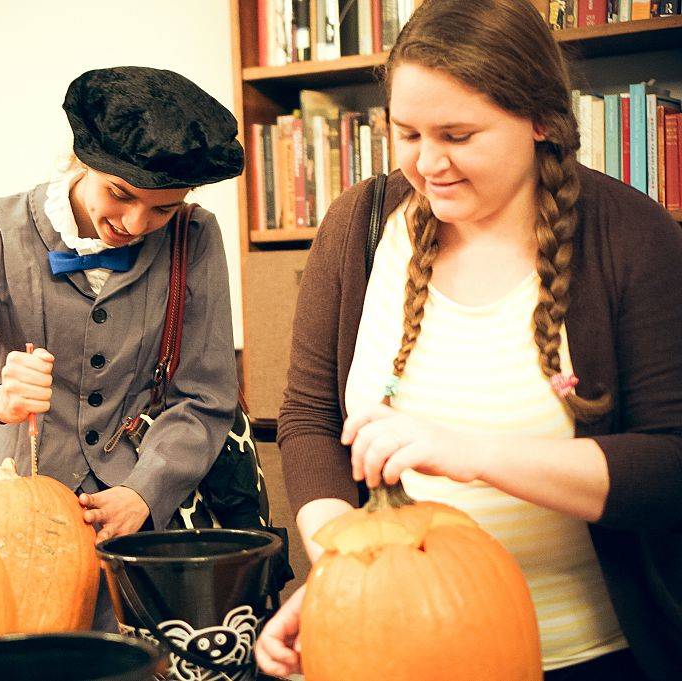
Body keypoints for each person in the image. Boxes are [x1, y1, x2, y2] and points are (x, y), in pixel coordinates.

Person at [254, 1, 682, 679]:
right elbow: (309, 420)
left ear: (541, 118)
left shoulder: (633, 238)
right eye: (408, 133)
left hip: (586, 658)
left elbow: (669, 465)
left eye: (458, 134)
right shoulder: (359, 227)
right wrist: (344, 574)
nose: (428, 164)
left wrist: (471, 453)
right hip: (387, 649)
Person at [0, 65, 243, 630]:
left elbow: (205, 396)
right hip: (9, 526)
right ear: (83, 159)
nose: (136, 224)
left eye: (162, 208)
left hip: (143, 537)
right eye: (121, 194)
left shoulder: (195, 237)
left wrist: (144, 492)